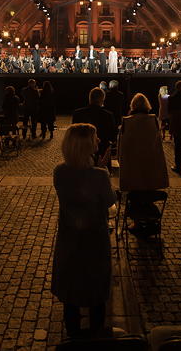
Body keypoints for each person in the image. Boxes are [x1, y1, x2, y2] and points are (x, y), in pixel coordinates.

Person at [51, 123, 117, 339]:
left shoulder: (59, 172)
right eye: (95, 137)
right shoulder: (99, 175)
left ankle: (73, 336)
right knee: (96, 292)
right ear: (87, 143)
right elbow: (109, 201)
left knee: (71, 291)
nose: (98, 140)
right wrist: (103, 171)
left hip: (69, 240)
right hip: (95, 240)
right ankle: (96, 336)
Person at [118, 93, 169, 192]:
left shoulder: (126, 121)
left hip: (132, 163)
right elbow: (157, 143)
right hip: (150, 162)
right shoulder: (152, 119)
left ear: (132, 105)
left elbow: (122, 144)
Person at [72, 87, 117, 163]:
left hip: (82, 152)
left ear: (90, 98)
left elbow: (73, 134)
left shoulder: (78, 114)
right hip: (102, 152)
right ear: (102, 100)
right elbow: (112, 136)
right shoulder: (108, 115)